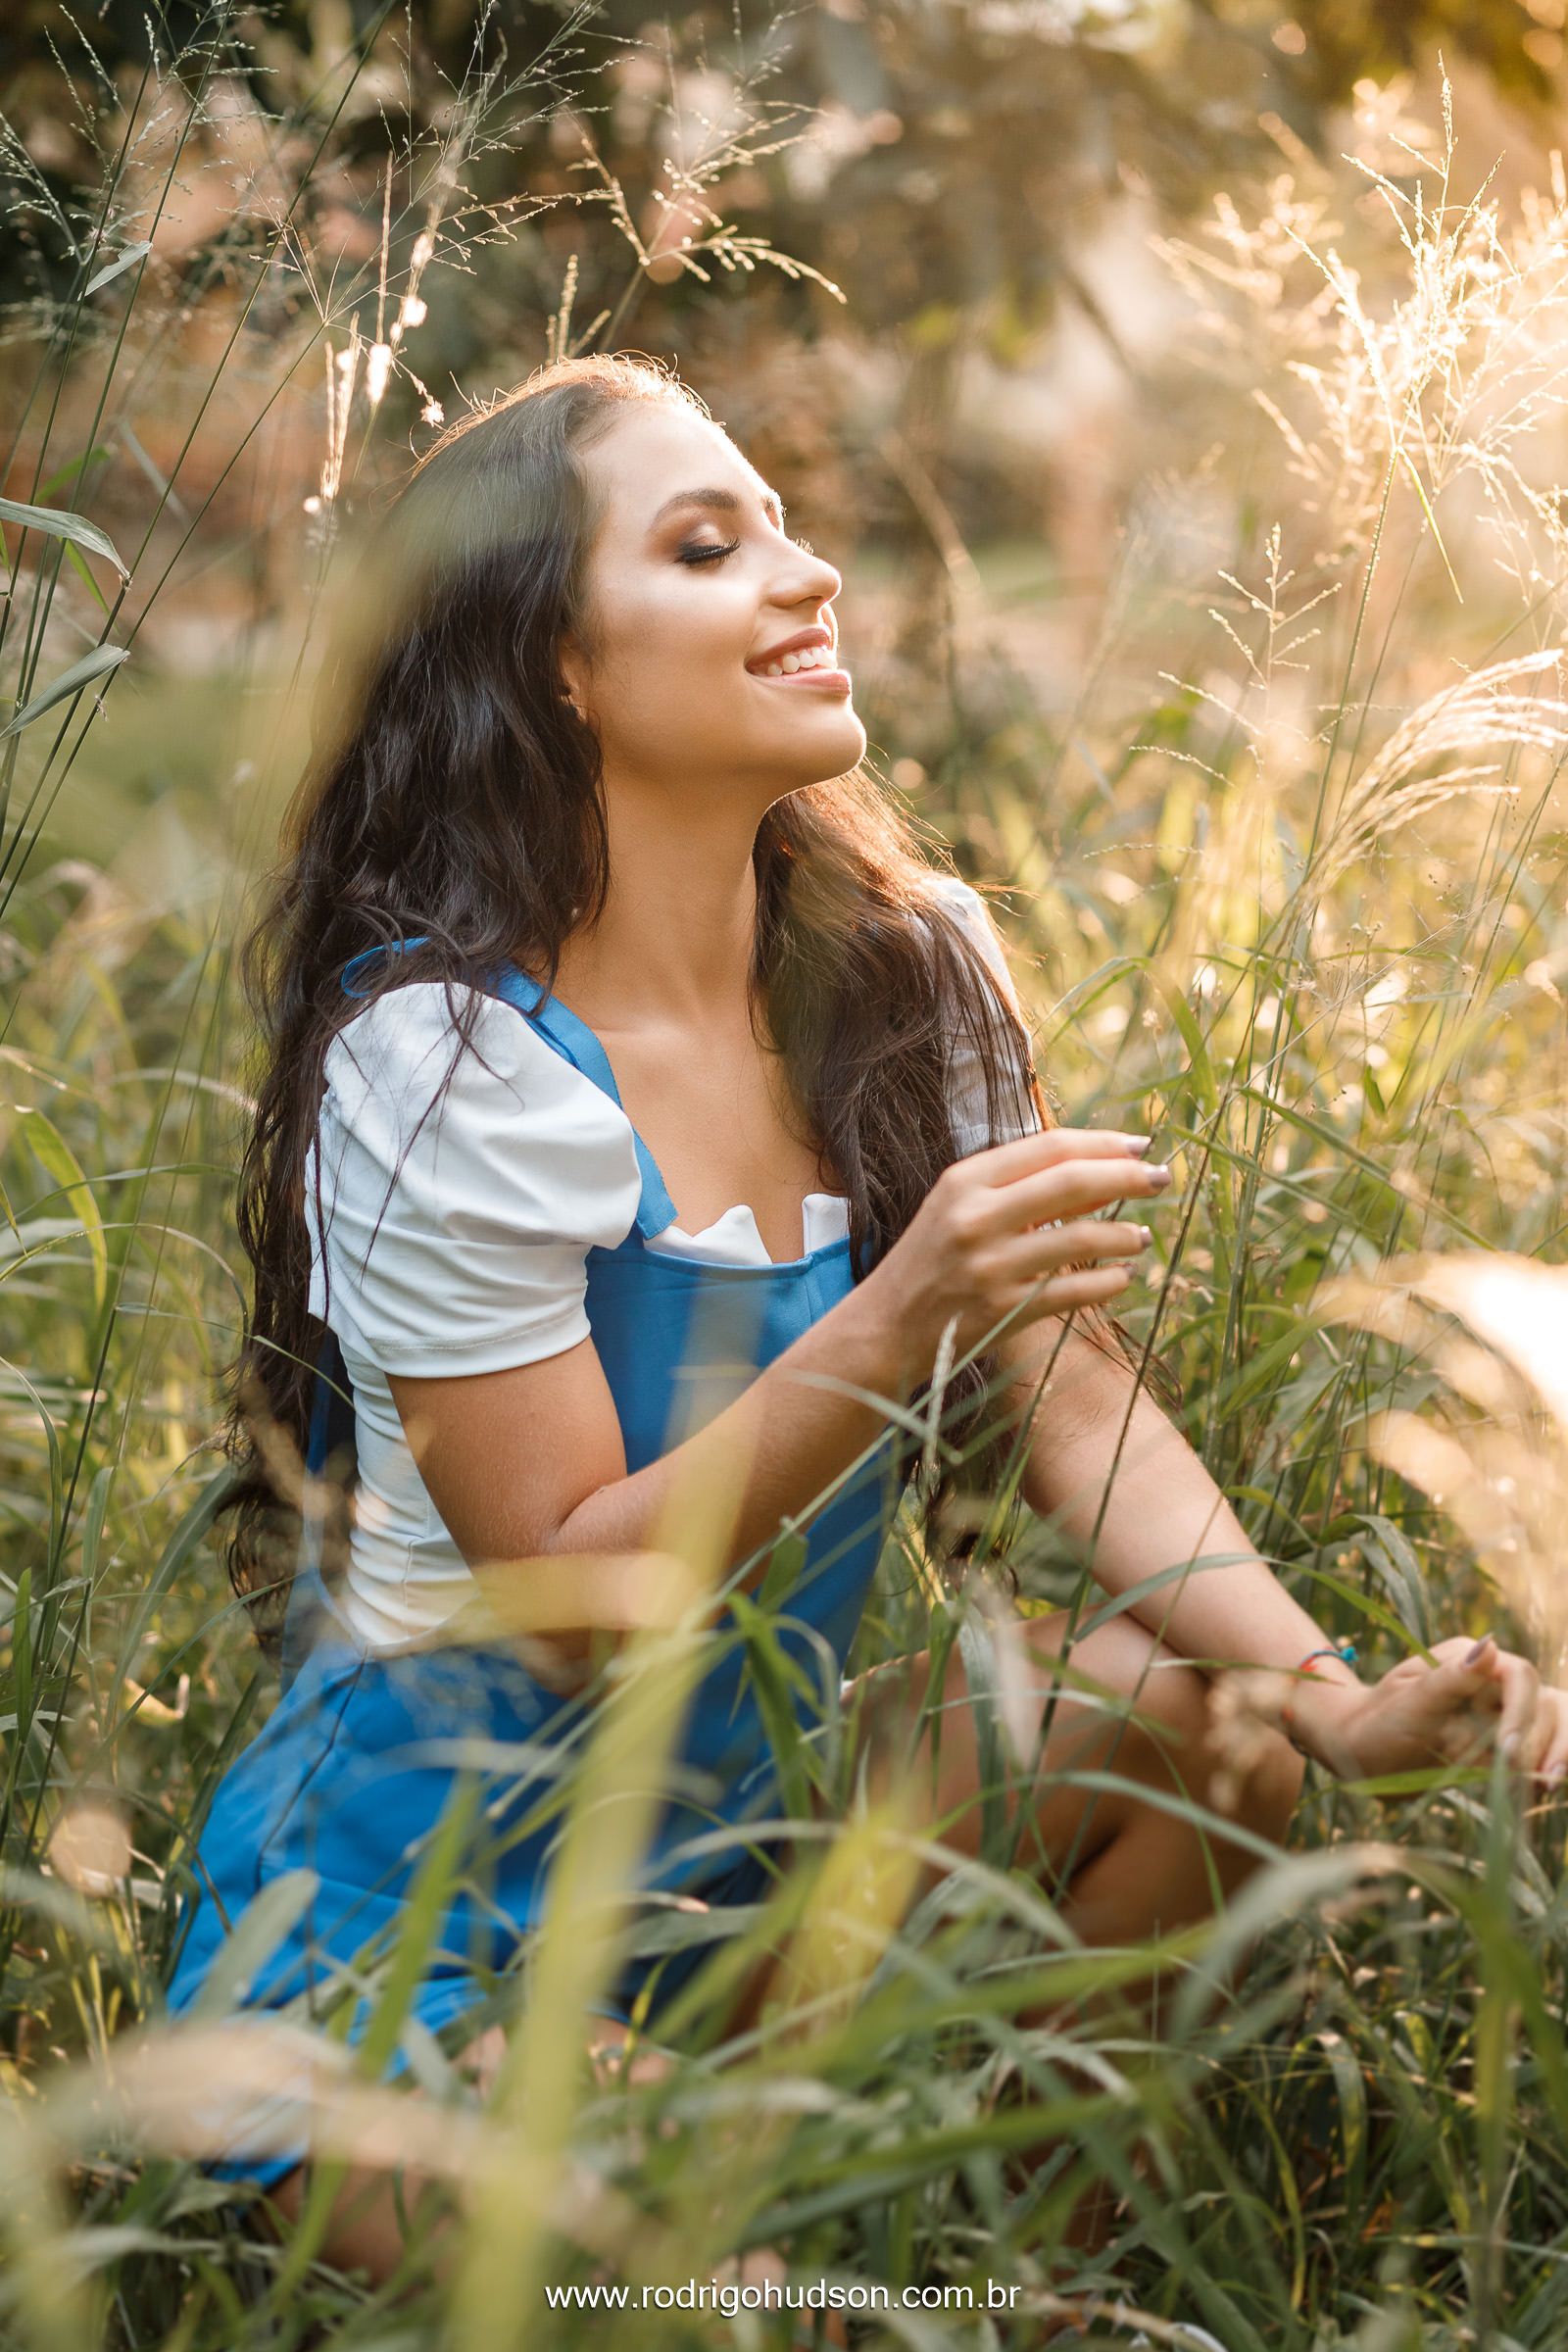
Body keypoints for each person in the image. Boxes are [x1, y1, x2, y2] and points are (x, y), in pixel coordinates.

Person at [168, 352, 1568, 2333]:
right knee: (747, 2306)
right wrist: (901, 1304)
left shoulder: (902, 971)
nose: (804, 573)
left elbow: (1075, 1401)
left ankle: (1033, 2284)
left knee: (1196, 1731)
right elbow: (569, 1600)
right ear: (552, 663)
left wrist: (1334, 1702)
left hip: (747, 1867)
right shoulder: (447, 1060)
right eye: (704, 543)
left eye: (785, 522)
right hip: (417, 1930)